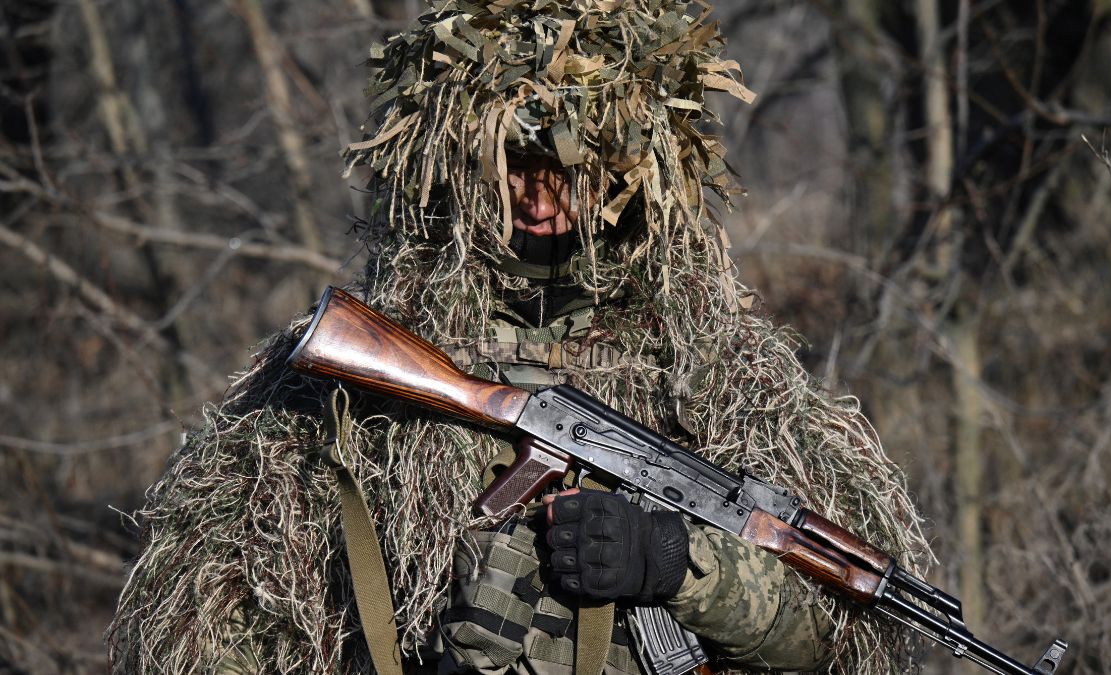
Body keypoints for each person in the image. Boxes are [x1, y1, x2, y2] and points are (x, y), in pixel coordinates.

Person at [107, 1, 930, 674]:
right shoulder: (366, 368)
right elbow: (217, 613)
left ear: (629, 171)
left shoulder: (719, 374)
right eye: (516, 165)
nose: (538, 198)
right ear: (460, 161)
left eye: (567, 167)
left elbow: (835, 644)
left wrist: (673, 562)